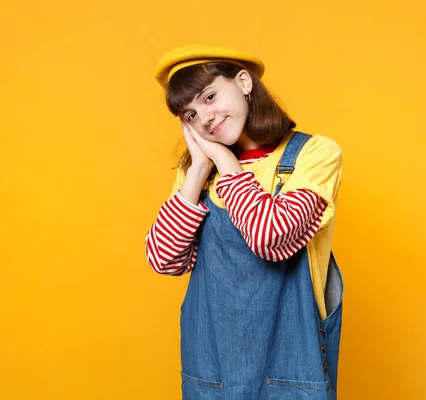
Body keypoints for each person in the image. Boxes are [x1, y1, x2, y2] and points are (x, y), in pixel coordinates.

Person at [145, 43, 344, 400]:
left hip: (294, 372)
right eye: (189, 115)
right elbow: (163, 259)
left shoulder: (314, 154)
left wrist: (225, 162)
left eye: (208, 97)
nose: (203, 118)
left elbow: (270, 237)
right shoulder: (198, 176)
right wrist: (198, 171)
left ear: (243, 82)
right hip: (213, 372)